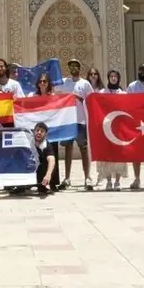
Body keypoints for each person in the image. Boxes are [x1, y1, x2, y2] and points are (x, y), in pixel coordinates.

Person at [57, 59, 94, 190]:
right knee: (68, 148)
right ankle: (66, 178)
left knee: (83, 148)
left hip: (80, 120)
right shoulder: (64, 82)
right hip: (68, 120)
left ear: (79, 68)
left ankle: (87, 177)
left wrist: (79, 98)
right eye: (70, 66)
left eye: (75, 66)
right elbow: (56, 93)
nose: (73, 68)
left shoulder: (85, 84)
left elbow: (91, 101)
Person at [27, 73, 60, 191]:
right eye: (40, 81)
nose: (42, 83)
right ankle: (36, 181)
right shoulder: (33, 96)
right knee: (37, 156)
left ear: (48, 83)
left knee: (52, 155)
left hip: (52, 129)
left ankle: (52, 182)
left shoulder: (53, 96)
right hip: (37, 131)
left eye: (44, 81)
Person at [125, 63, 144, 189]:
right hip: (137, 122)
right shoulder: (132, 86)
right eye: (141, 70)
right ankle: (137, 178)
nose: (143, 73)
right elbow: (126, 102)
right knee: (136, 151)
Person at [97, 70, 128, 191]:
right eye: (111, 76)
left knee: (119, 155)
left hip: (119, 129)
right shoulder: (102, 93)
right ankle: (109, 181)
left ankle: (117, 181)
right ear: (108, 78)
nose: (113, 78)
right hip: (106, 128)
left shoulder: (123, 94)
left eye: (115, 76)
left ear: (119, 78)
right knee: (107, 155)